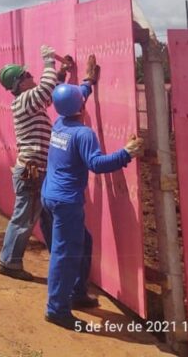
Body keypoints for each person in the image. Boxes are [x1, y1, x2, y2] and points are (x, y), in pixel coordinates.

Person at [41, 77, 143, 330]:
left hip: (49, 196)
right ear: (80, 105)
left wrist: (87, 82)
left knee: (83, 242)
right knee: (64, 256)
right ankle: (57, 310)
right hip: (66, 202)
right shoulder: (83, 133)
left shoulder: (60, 122)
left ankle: (76, 293)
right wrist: (127, 152)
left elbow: (71, 100)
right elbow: (96, 164)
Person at [0, 45, 78, 281]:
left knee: (41, 217)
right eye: (28, 74)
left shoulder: (28, 101)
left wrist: (61, 73)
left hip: (37, 171)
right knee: (24, 218)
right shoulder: (24, 100)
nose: (33, 76)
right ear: (21, 82)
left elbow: (49, 93)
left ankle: (56, 259)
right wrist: (48, 62)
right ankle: (9, 262)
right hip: (33, 171)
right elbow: (45, 90)